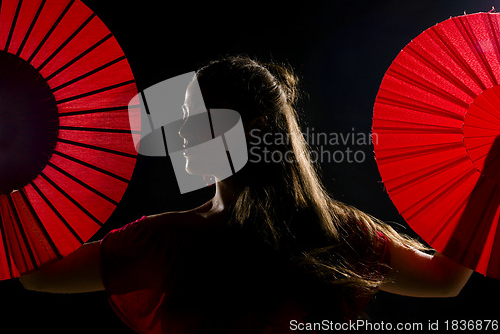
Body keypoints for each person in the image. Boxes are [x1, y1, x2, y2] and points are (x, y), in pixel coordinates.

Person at [20, 55, 473, 333]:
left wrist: (15, 168)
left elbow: (36, 273)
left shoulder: (169, 241)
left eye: (194, 117)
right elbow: (445, 280)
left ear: (250, 130)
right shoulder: (331, 231)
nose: (179, 134)